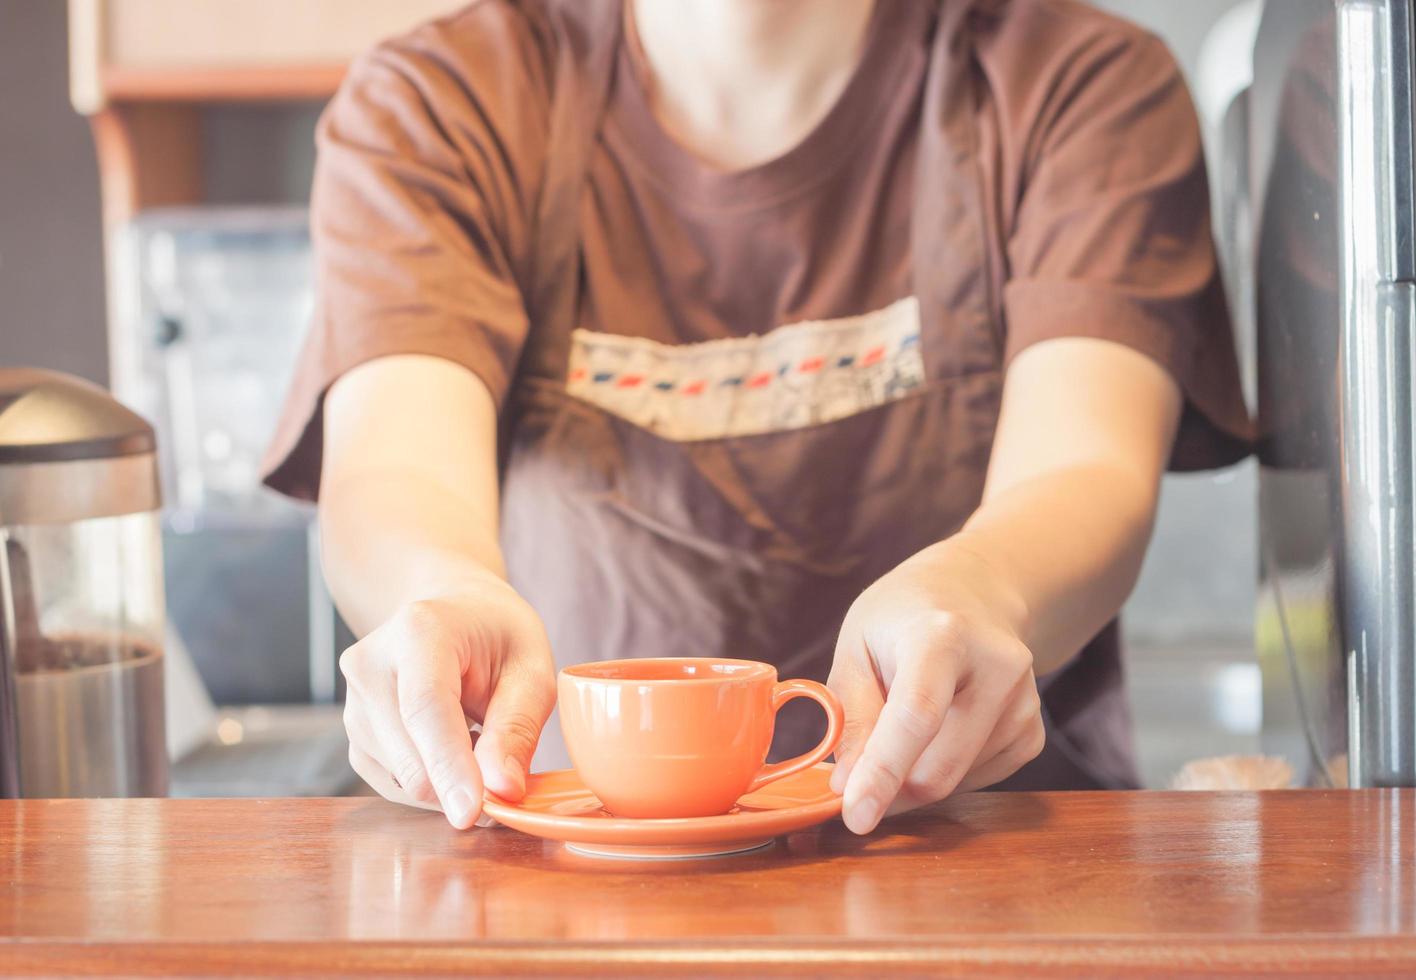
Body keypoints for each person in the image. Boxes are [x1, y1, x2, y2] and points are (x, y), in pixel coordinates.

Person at [263, 0, 1250, 834]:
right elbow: (394, 467)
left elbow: (1086, 468)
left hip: (984, 864)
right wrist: (436, 592)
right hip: (573, 883)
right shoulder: (444, 101)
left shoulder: (1080, 85)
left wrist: (985, 585)